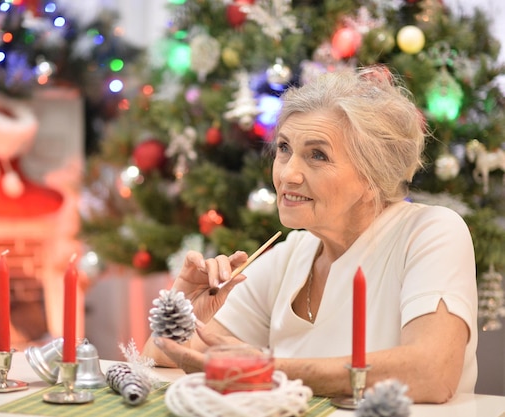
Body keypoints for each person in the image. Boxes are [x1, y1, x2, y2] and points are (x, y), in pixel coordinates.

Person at [142, 66, 477, 404]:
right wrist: (182, 313)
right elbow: (165, 354)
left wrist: (268, 369)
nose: (288, 174)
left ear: (373, 175)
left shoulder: (431, 232)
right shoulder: (291, 254)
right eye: (285, 148)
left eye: (317, 155)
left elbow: (433, 373)